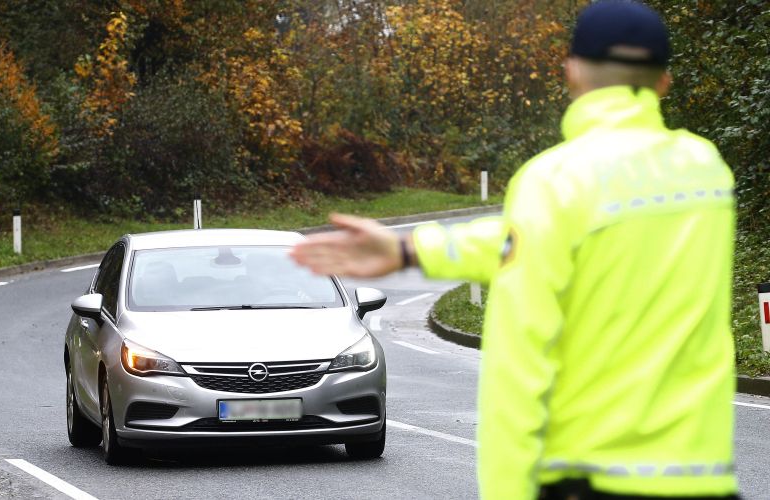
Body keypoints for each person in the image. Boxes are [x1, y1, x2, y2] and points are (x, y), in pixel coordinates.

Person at [290, 1, 740, 499]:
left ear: (570, 73)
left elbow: (519, 366)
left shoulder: (556, 181)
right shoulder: (706, 172)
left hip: (591, 478)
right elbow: (568, 234)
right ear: (663, 82)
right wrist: (412, 249)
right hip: (702, 476)